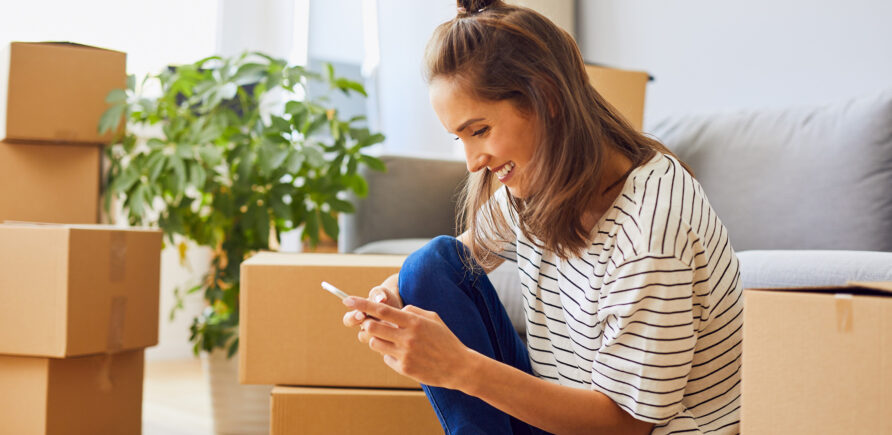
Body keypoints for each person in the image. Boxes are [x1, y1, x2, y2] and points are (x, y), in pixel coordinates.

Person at [342, 0, 742, 433]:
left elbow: (626, 427)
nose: (473, 162)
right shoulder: (535, 185)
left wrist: (460, 368)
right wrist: (392, 298)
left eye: (480, 131)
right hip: (563, 420)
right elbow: (463, 255)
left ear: (547, 98)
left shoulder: (651, 232)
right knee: (429, 266)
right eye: (460, 138)